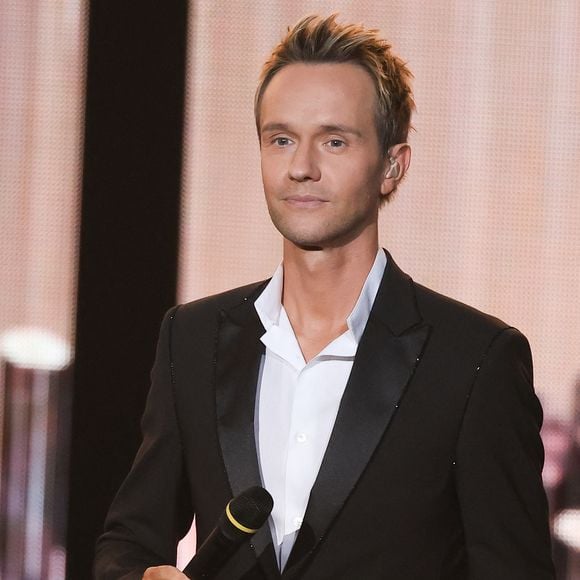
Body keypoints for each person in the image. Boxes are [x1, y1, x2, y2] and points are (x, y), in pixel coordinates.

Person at [94, 14, 555, 580]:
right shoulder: (192, 339)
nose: (301, 168)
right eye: (281, 139)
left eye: (334, 141)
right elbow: (129, 541)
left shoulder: (474, 360)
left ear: (392, 165)